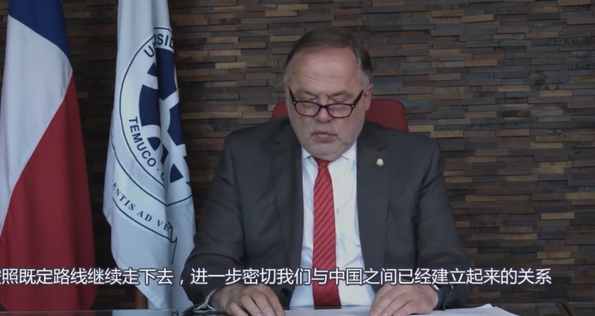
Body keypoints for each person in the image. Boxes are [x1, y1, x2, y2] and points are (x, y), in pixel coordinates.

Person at [181, 28, 471, 316]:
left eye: (339, 103)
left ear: (366, 97)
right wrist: (229, 292)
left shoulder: (415, 159)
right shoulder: (245, 155)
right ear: (287, 95)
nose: (322, 116)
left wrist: (427, 290)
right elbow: (206, 264)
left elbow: (450, 265)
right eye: (307, 101)